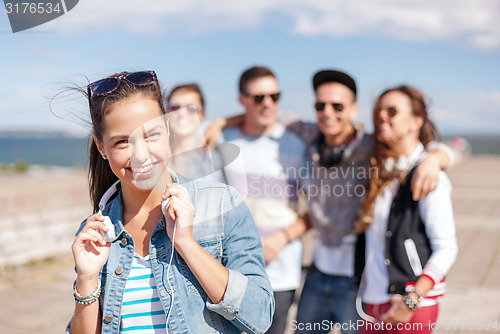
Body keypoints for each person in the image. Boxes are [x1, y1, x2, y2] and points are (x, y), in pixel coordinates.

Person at [204, 70, 453, 334]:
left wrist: (436, 158)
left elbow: (428, 149)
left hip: (355, 281)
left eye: (338, 106)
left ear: (354, 109)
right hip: (316, 274)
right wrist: (220, 122)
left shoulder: (372, 147)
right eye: (320, 105)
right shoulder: (308, 134)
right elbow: (261, 113)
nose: (328, 112)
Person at [66, 70, 274, 334]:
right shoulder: (95, 233)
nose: (141, 155)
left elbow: (260, 315)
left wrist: (187, 243)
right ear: (101, 147)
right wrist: (86, 279)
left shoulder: (221, 205)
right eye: (121, 142)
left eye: (151, 134)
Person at [356, 85, 458, 334]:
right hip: (372, 303)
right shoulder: (378, 168)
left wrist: (412, 301)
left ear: (416, 121)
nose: (382, 116)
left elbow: (447, 248)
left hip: (409, 306)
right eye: (379, 111)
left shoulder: (428, 176)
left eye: (392, 111)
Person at [219, 66, 310, 334]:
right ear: (242, 100)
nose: (268, 103)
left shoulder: (297, 143)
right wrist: (220, 123)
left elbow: (320, 210)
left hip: (281, 272)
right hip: (230, 272)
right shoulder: (223, 140)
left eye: (274, 96)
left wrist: (279, 240)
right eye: (259, 97)